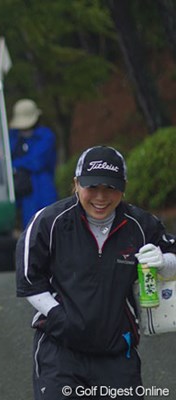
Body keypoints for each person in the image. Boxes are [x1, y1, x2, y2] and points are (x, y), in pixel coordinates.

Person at [16, 145, 176, 400]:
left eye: (110, 188)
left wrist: (163, 261)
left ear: (123, 187)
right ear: (76, 184)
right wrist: (61, 318)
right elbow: (29, 281)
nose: (101, 197)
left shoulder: (140, 224)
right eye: (92, 187)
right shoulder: (49, 222)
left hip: (117, 352)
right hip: (60, 353)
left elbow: (173, 255)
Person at [9, 98, 58, 229]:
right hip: (20, 191)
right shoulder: (13, 136)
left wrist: (13, 164)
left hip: (41, 189)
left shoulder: (45, 136)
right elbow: (0, 157)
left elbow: (36, 162)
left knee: (44, 226)